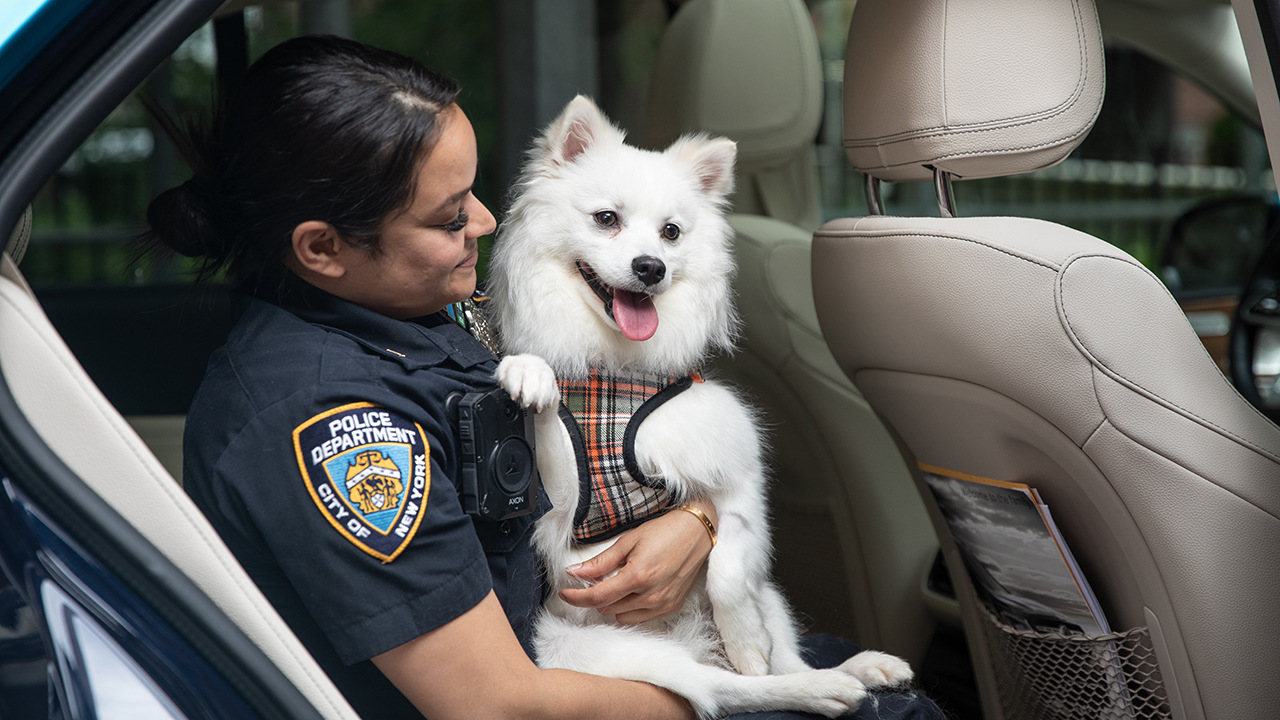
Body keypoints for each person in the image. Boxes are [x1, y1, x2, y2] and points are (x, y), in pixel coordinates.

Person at [148, 34, 944, 720]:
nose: (487, 224)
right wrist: (739, 697)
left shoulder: (421, 315)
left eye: (477, 195)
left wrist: (698, 525)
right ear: (323, 247)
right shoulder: (330, 418)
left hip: (627, 647)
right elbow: (494, 702)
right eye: (450, 215)